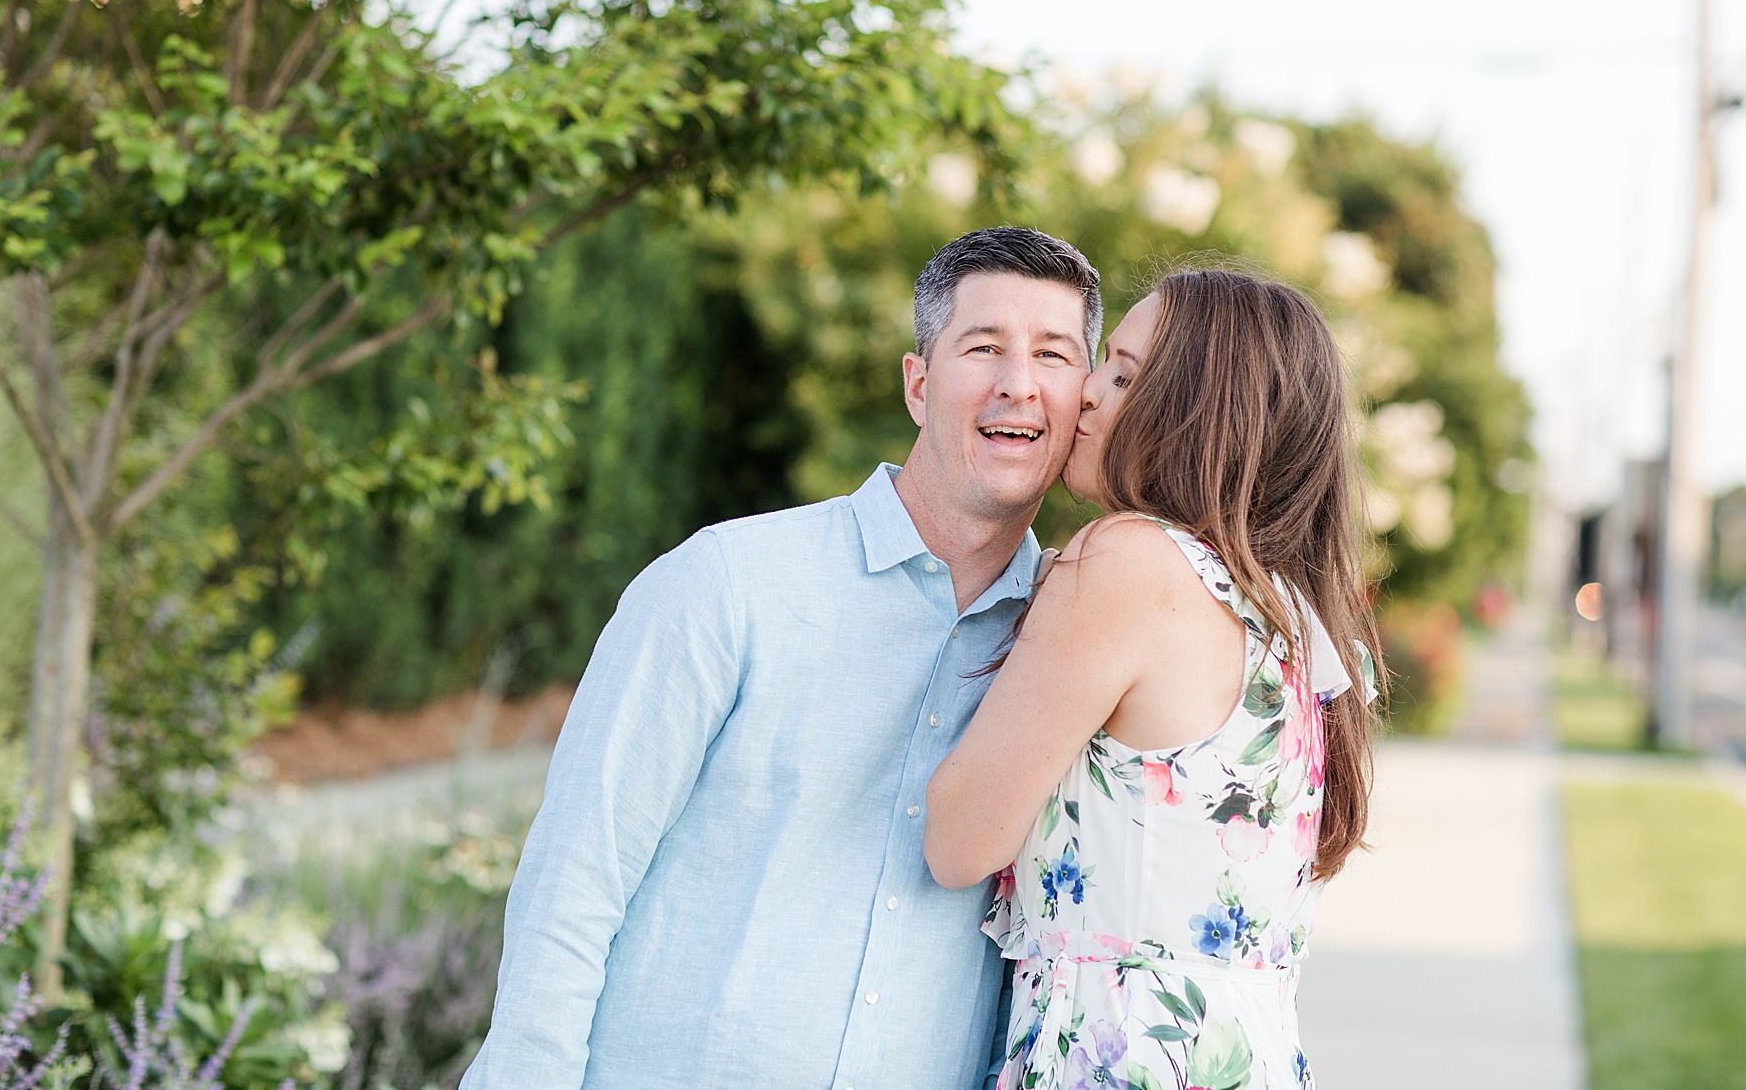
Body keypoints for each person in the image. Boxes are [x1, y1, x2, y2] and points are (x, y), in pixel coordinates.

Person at [460, 227, 1103, 1089]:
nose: (1017, 383)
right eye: (982, 347)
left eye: (1053, 356)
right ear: (918, 385)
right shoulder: (728, 583)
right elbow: (575, 880)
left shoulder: (1074, 650)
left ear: (1084, 398)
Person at [925, 268, 1380, 1090]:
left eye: (1127, 374)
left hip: (1123, 1058)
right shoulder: (1282, 609)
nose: (1087, 394)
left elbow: (958, 842)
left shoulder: (1124, 564)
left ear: (1203, 411)